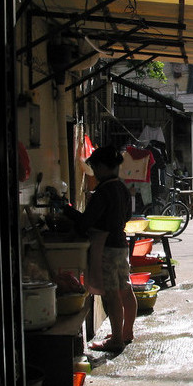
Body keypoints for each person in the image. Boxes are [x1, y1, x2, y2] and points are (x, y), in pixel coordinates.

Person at [63, 144, 136, 353]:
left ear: (103, 167)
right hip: (121, 244)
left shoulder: (103, 191)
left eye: (95, 168)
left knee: (111, 294)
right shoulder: (122, 187)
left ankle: (116, 341)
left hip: (106, 247)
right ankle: (126, 332)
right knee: (126, 289)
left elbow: (85, 222)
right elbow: (128, 217)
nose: (94, 172)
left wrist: (67, 211)